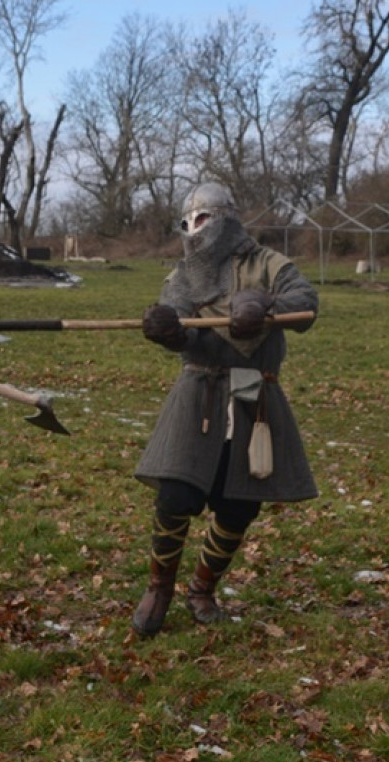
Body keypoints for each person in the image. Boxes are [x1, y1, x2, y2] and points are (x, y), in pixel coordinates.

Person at [130, 181, 318, 637]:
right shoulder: (183, 276)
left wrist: (264, 303)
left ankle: (202, 588)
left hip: (255, 393)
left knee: (238, 506)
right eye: (187, 223)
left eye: (203, 220)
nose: (194, 230)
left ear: (226, 219)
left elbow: (307, 305)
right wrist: (170, 331)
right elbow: (183, 325)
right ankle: (160, 588)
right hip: (200, 390)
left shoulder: (269, 264)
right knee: (176, 496)